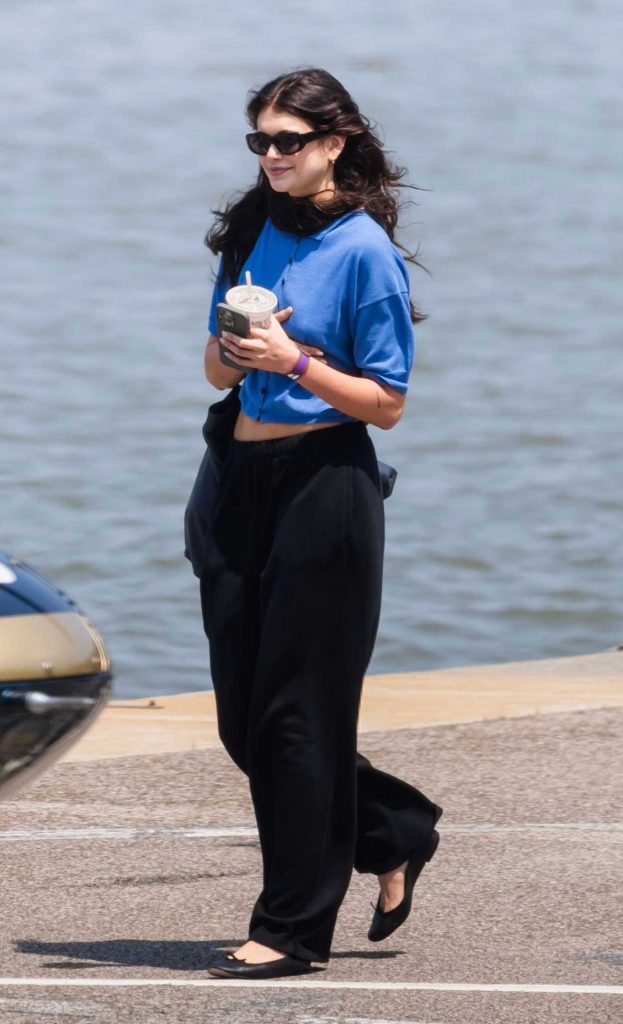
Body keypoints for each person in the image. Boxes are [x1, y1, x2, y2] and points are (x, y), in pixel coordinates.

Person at [200, 68, 442, 980]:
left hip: (323, 487)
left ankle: (292, 930)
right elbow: (216, 373)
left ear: (333, 144)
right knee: (243, 724)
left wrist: (295, 360)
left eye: (288, 141)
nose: (270, 156)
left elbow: (385, 404)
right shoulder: (249, 229)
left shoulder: (363, 252)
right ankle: (391, 830)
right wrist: (236, 351)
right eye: (259, 141)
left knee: (298, 719)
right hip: (233, 474)